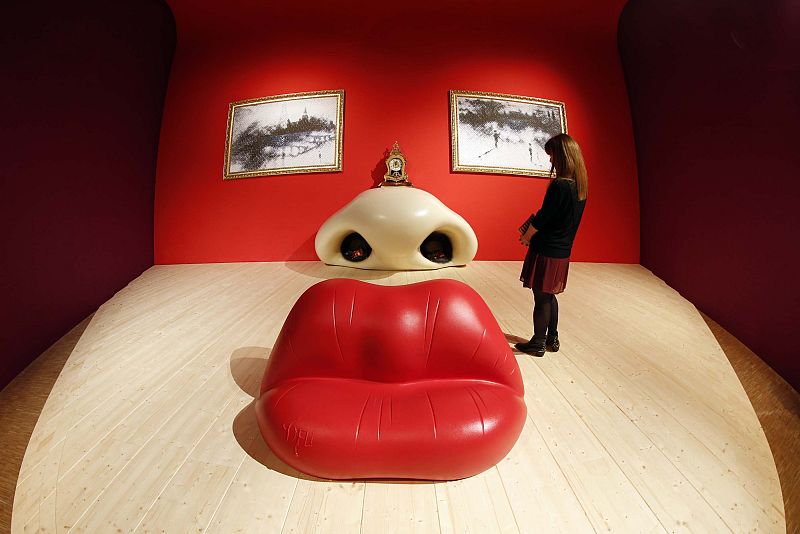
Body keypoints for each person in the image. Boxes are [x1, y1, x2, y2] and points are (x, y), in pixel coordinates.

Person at [515, 134, 588, 356]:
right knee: (549, 294)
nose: (551, 161)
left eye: (552, 155)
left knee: (541, 297)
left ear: (562, 156)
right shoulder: (579, 186)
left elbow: (543, 218)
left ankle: (537, 342)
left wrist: (527, 236)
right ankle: (552, 339)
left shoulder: (559, 186)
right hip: (562, 251)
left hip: (546, 249)